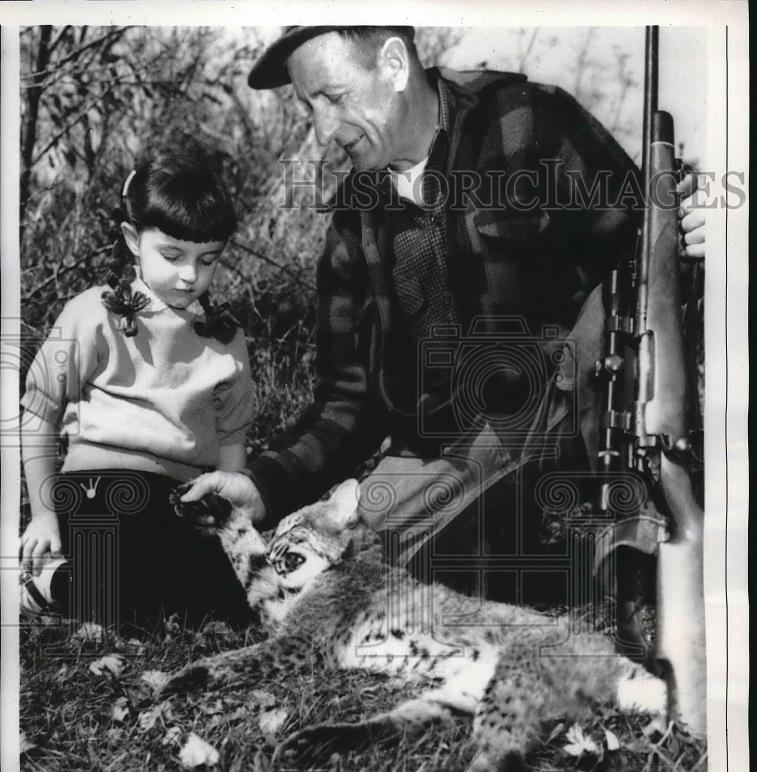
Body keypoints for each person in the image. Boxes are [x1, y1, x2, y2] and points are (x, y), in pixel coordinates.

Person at [180, 26, 705, 587]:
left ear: (393, 65)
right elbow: (346, 400)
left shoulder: (530, 120)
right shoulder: (353, 220)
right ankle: (514, 554)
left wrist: (689, 235)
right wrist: (262, 485)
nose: (323, 130)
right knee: (331, 572)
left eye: (333, 97)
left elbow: (644, 260)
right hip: (450, 448)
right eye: (309, 106)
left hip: (572, 412)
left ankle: (636, 535)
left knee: (602, 319)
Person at [19, 150, 255, 625]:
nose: (190, 275)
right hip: (99, 489)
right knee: (124, 571)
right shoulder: (94, 314)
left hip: (182, 500)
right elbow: (38, 414)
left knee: (228, 597)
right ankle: (50, 582)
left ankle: (106, 591)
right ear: (132, 239)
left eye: (207, 260)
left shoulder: (226, 341)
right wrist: (44, 515)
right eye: (172, 256)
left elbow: (232, 446)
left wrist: (232, 526)